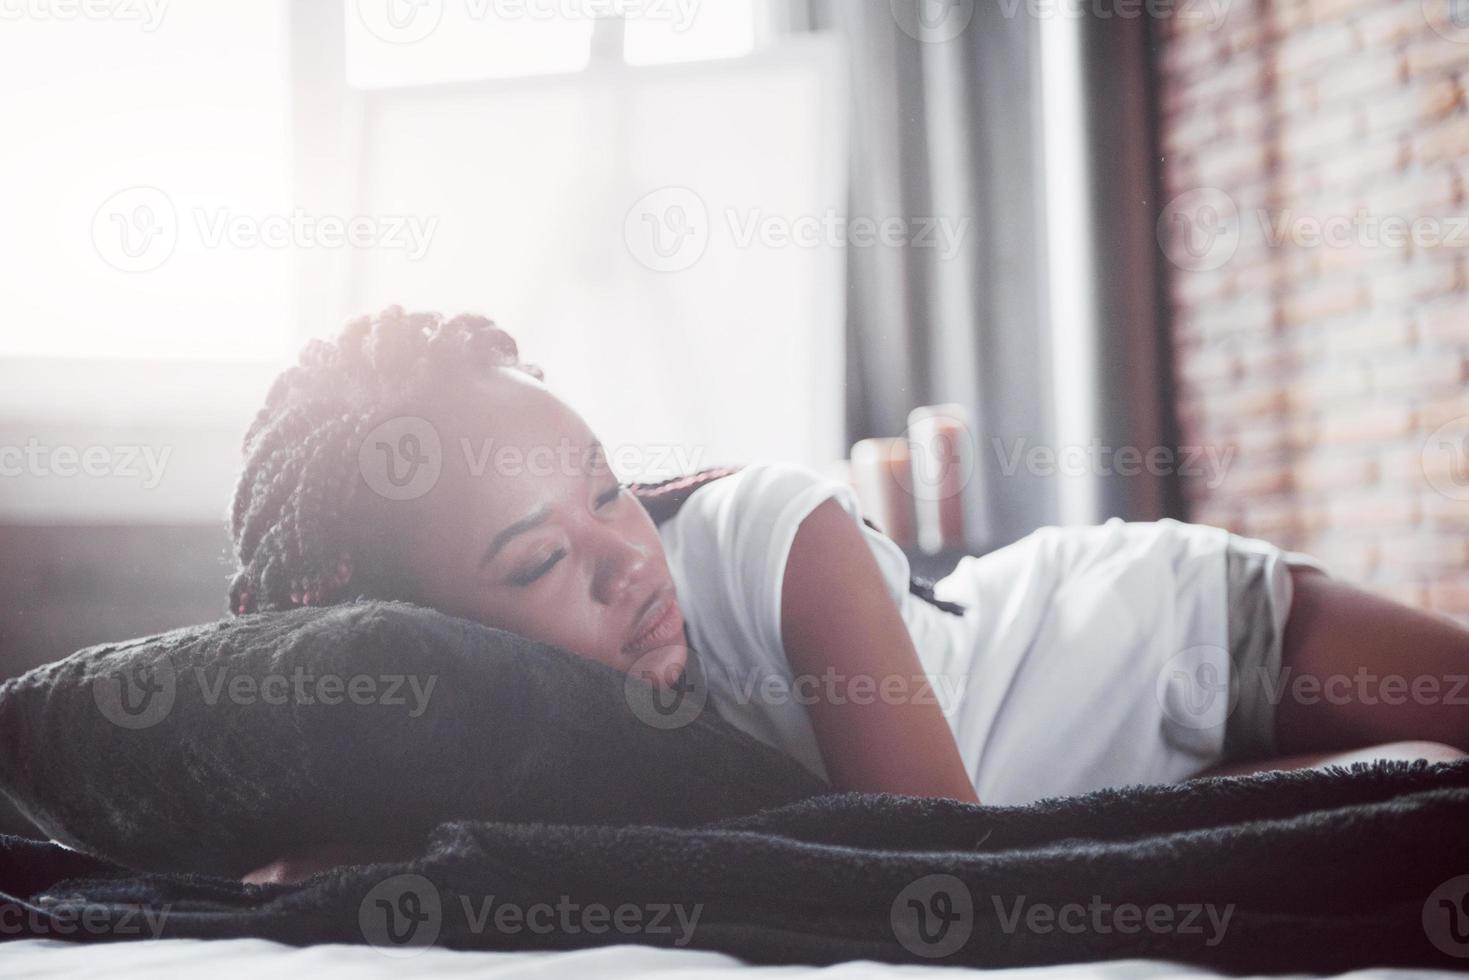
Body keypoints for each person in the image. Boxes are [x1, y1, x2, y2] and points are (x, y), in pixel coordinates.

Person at [229, 306, 1467, 884]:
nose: (624, 560)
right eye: (539, 561)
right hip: (1096, 787)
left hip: (1177, 637)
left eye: (604, 493)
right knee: (1418, 778)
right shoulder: (486, 727)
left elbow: (945, 869)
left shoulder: (775, 535)